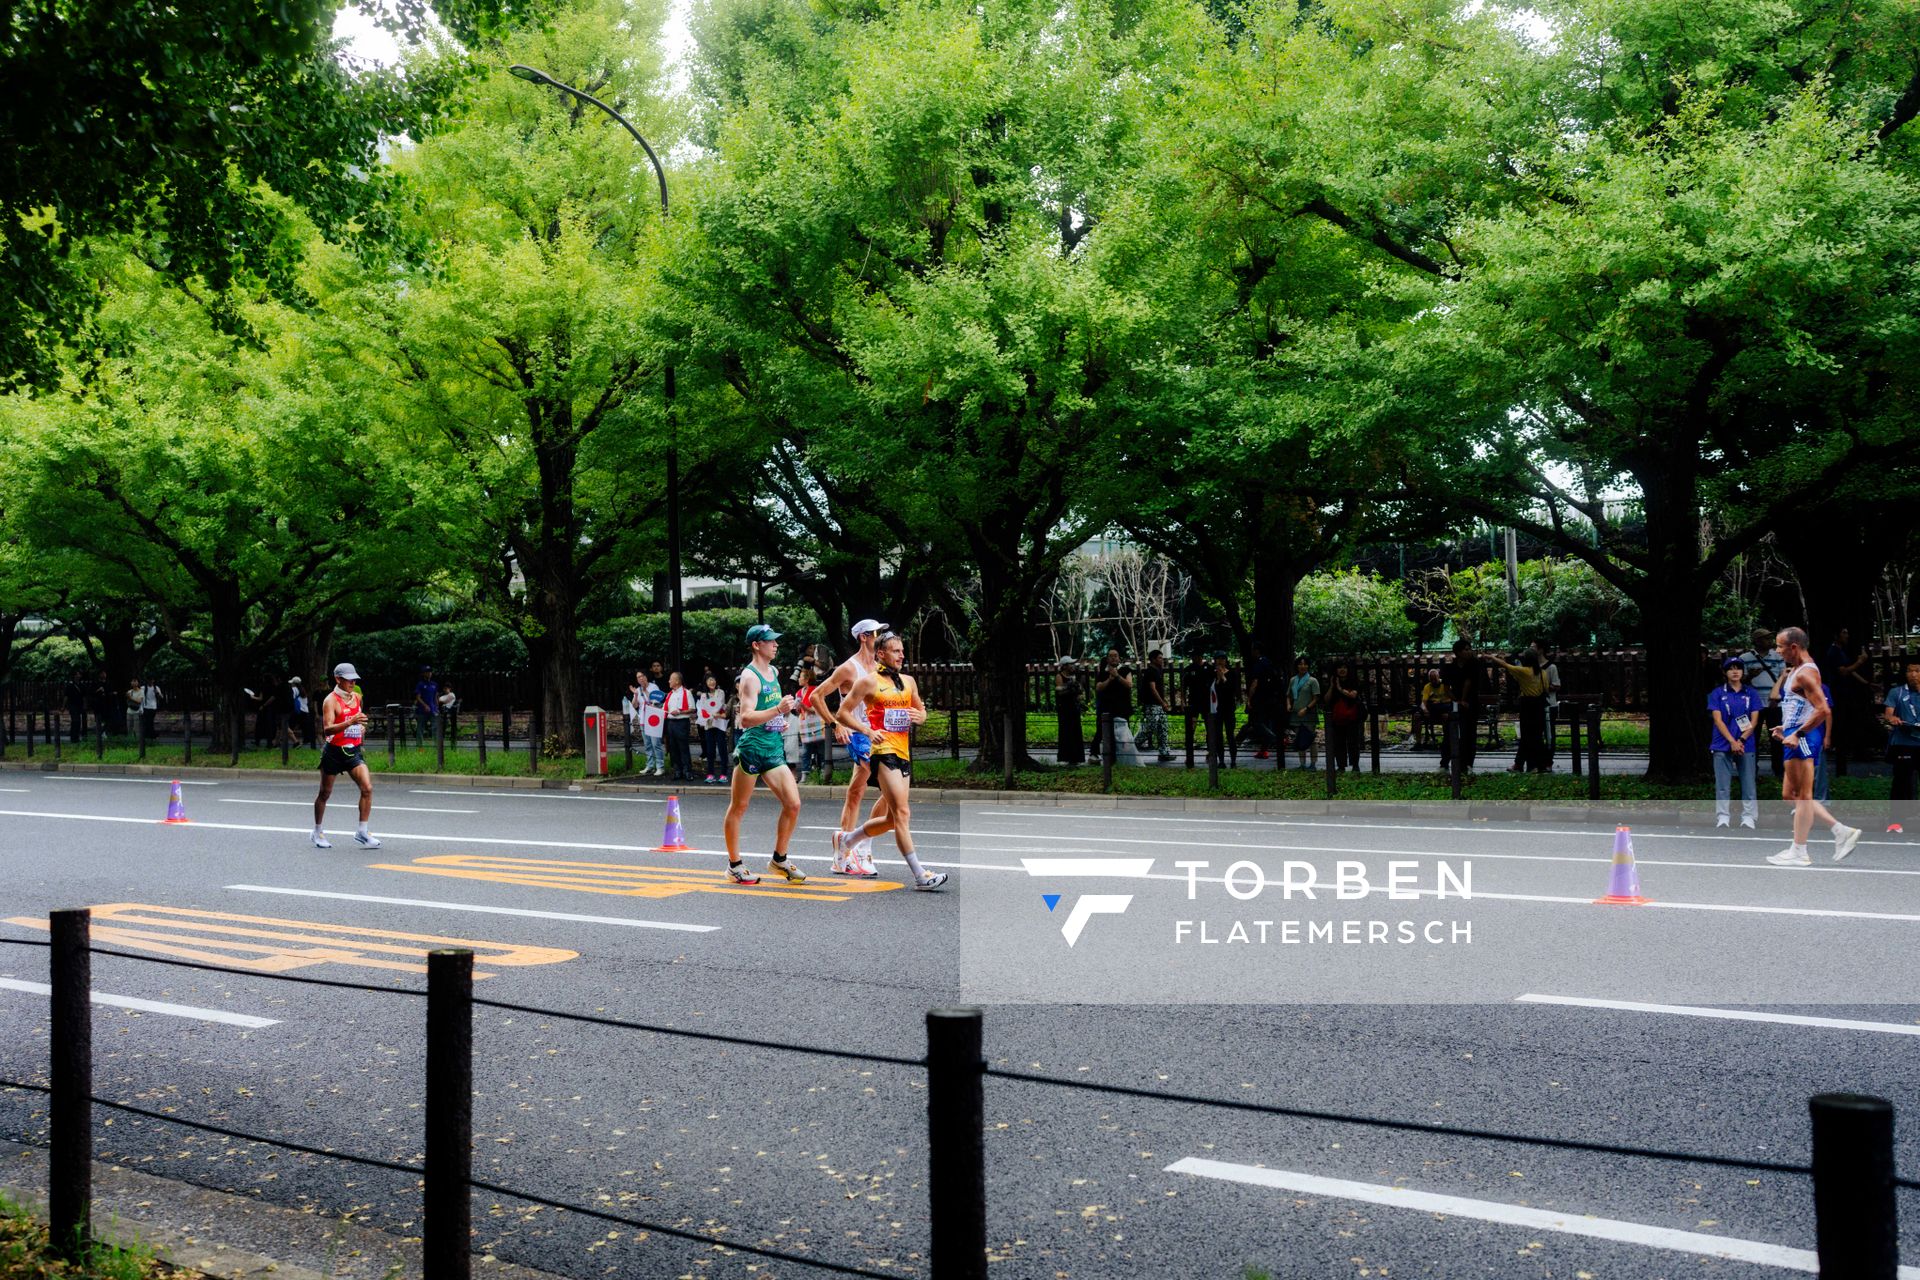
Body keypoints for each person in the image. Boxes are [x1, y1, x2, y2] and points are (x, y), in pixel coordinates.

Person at [832, 631, 947, 890]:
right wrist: (867, 730)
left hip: (904, 752)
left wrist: (921, 717)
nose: (902, 655)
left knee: (892, 819)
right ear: (881, 654)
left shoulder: (908, 682)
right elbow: (842, 713)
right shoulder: (867, 682)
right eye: (896, 651)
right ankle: (920, 875)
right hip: (883, 753)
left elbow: (920, 710)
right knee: (903, 813)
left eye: (902, 650)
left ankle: (847, 841)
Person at [1765, 627, 1862, 866]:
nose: (1777, 651)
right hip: (1795, 733)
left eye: (1780, 646)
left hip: (1804, 738)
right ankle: (1839, 830)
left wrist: (1798, 733)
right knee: (1791, 795)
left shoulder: (1805, 673)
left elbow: (1823, 710)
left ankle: (1799, 850)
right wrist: (1785, 727)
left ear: (1794, 647)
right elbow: (1801, 705)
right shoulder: (1797, 670)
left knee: (1804, 796)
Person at [721, 624, 808, 885]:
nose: (776, 644)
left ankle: (779, 859)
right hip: (752, 749)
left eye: (775, 640)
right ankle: (734, 865)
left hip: (773, 747)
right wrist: (777, 711)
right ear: (757, 645)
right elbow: (746, 718)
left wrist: (783, 715)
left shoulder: (773, 671)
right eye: (770, 641)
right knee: (739, 806)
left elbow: (771, 708)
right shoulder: (749, 677)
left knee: (793, 804)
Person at [814, 619, 887, 876]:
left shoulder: (880, 666)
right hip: (859, 736)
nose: (881, 636)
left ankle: (842, 852)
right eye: (877, 632)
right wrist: (835, 724)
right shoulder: (848, 668)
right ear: (864, 637)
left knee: (856, 792)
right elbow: (816, 696)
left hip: (880, 735)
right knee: (891, 788)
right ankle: (862, 845)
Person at [313, 662, 380, 849]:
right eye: (349, 679)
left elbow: (358, 721)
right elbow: (327, 729)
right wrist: (351, 722)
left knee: (367, 787)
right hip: (333, 752)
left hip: (352, 750)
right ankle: (317, 831)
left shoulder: (356, 697)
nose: (353, 682)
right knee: (325, 793)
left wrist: (361, 728)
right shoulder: (330, 701)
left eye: (354, 679)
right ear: (338, 679)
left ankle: (362, 831)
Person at [1708, 656, 1763, 829]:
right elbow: (1718, 720)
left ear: (1742, 671)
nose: (1735, 671)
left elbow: (1754, 720)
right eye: (1731, 668)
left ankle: (1748, 817)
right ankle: (1723, 816)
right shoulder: (1717, 693)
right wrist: (1732, 741)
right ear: (1725, 673)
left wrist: (1741, 740)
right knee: (1722, 784)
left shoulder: (1750, 693)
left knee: (1748, 783)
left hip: (1746, 743)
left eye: (1738, 668)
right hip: (1722, 743)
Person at [1492, 648, 1551, 773]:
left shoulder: (1524, 671)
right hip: (1539, 706)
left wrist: (1492, 658)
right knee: (1537, 736)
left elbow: (1505, 665)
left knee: (1526, 736)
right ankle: (1538, 764)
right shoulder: (1543, 673)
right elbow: (1546, 688)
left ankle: (1528, 765)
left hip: (1527, 705)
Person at [1740, 629, 1786, 777]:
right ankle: (1752, 771)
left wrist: (1776, 697)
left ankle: (1779, 771)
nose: (1770, 641)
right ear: (1758, 641)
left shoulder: (1777, 657)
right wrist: (1749, 677)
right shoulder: (1744, 658)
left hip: (1774, 703)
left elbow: (1783, 677)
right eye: (1766, 638)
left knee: (1777, 739)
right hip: (1753, 705)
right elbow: (1740, 681)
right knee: (1752, 737)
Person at [1440, 640, 1489, 774]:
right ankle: (1445, 761)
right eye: (1465, 649)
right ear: (1458, 652)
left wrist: (1464, 700)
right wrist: (1457, 700)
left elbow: (1469, 682)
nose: (1468, 651)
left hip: (1470, 701)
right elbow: (1446, 688)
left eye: (1469, 649)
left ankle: (1467, 763)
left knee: (1469, 733)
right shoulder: (1450, 667)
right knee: (1450, 732)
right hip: (1455, 702)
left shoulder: (1474, 665)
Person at [1882, 660, 1920, 833]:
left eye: (1917, 671)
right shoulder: (1896, 692)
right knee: (1901, 782)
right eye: (1910, 671)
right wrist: (1893, 719)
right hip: (1904, 743)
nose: (1913, 675)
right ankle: (1896, 822)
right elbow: (1888, 713)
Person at [1093, 650, 1133, 761]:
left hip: (1122, 707)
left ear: (1119, 658)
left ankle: (1125, 756)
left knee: (1123, 733)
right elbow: (1098, 687)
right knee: (1104, 731)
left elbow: (1129, 685)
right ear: (1107, 659)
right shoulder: (1103, 672)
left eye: (1116, 656)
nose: (1113, 658)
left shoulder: (1125, 670)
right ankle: (1103, 755)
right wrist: (1109, 679)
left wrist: (1118, 677)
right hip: (1106, 707)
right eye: (1111, 656)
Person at [1241, 644, 1279, 759]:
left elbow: (1255, 683)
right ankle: (1264, 750)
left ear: (1256, 651)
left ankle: (1275, 738)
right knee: (1267, 722)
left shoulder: (1259, 664)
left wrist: (1249, 699)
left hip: (1260, 698)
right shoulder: (1269, 663)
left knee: (1257, 723)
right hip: (1271, 697)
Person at [1137, 650, 1175, 763]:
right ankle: (1132, 746)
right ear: (1153, 659)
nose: (1162, 660)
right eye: (1159, 658)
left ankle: (1164, 752)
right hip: (1152, 704)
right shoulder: (1150, 672)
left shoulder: (1158, 671)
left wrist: (1163, 702)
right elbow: (1152, 689)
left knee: (1163, 728)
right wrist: (1162, 702)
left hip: (1158, 704)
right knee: (1149, 728)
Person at [1325, 661, 1363, 771]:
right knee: (1338, 742)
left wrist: (1340, 688)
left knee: (1353, 742)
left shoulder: (1353, 681)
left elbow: (1353, 695)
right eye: (1339, 667)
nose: (1342, 670)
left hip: (1352, 717)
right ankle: (1341, 765)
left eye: (1344, 667)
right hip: (1337, 718)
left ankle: (1355, 765)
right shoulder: (1332, 681)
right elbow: (1326, 699)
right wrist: (1332, 686)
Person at [1285, 654, 1321, 770]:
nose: (1303, 666)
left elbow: (1316, 698)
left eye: (1305, 664)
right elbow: (1288, 696)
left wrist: (1306, 709)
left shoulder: (1312, 681)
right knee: (1299, 737)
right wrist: (1289, 704)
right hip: (1296, 715)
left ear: (1308, 666)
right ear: (1297, 666)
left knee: (1310, 738)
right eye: (1300, 664)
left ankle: (1313, 764)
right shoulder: (1293, 680)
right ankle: (1302, 764)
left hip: (1309, 714)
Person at [1205, 653, 1238, 768]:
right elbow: (1210, 689)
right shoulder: (1211, 674)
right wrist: (1218, 679)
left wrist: (1223, 677)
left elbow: (1232, 689)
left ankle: (1233, 760)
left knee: (1230, 735)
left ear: (1226, 660)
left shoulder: (1232, 673)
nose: (1220, 661)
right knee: (1218, 735)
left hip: (1229, 708)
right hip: (1217, 709)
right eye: (1218, 659)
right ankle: (1221, 761)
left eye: (1222, 659)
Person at [697, 673, 731, 783]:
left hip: (720, 724)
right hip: (709, 724)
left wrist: (710, 712)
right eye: (709, 680)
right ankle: (710, 774)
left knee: (722, 749)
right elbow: (702, 709)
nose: (712, 682)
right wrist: (708, 714)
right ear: (706, 683)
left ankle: (724, 774)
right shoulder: (703, 695)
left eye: (713, 680)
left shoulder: (720, 692)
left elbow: (719, 705)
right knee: (710, 750)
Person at [664, 671, 696, 782]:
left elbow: (692, 709)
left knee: (683, 747)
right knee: (673, 748)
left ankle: (687, 771)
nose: (669, 681)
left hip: (681, 722)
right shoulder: (669, 694)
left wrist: (680, 712)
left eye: (671, 679)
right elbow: (665, 709)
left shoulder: (686, 693)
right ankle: (677, 771)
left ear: (677, 681)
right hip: (671, 723)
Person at [796, 667, 826, 782]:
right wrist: (799, 708)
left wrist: (804, 707)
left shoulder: (816, 690)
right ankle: (805, 773)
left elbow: (818, 709)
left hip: (817, 723)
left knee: (820, 749)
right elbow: (799, 710)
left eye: (801, 677)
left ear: (807, 679)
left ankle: (823, 772)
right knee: (805, 751)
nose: (799, 679)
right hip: (804, 724)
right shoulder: (799, 692)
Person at [1055, 656, 1085, 766]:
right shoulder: (1059, 676)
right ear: (1064, 666)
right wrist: (1070, 687)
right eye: (1070, 664)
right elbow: (1059, 690)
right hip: (1064, 708)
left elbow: (1080, 692)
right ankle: (1065, 756)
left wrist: (1077, 689)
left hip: (1074, 707)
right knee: (1065, 731)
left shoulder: (1074, 677)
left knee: (1076, 731)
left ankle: (1076, 757)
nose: (1072, 666)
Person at [641, 677, 667, 776]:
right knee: (648, 745)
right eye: (638, 677)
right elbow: (636, 705)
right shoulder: (639, 690)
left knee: (656, 744)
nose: (640, 679)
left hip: (653, 720)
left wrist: (646, 691)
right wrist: (636, 694)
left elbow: (657, 701)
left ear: (646, 678)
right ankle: (650, 765)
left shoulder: (654, 687)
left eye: (642, 676)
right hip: (643, 720)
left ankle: (660, 767)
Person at [411, 666, 439, 746]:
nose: (429, 673)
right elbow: (418, 697)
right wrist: (425, 705)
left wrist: (437, 707)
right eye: (427, 672)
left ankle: (437, 746)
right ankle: (420, 747)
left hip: (433, 710)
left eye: (430, 672)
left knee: (435, 728)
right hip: (422, 710)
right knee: (420, 729)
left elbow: (436, 697)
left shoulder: (434, 684)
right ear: (423, 674)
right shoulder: (420, 684)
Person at [138, 674, 162, 744]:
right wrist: (141, 707)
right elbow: (141, 698)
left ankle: (150, 734)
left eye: (152, 680)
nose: (151, 681)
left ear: (153, 681)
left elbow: (161, 697)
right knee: (147, 721)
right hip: (146, 707)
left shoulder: (156, 688)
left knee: (150, 721)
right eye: (149, 680)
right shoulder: (143, 688)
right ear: (147, 681)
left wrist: (157, 693)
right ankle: (151, 735)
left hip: (153, 707)